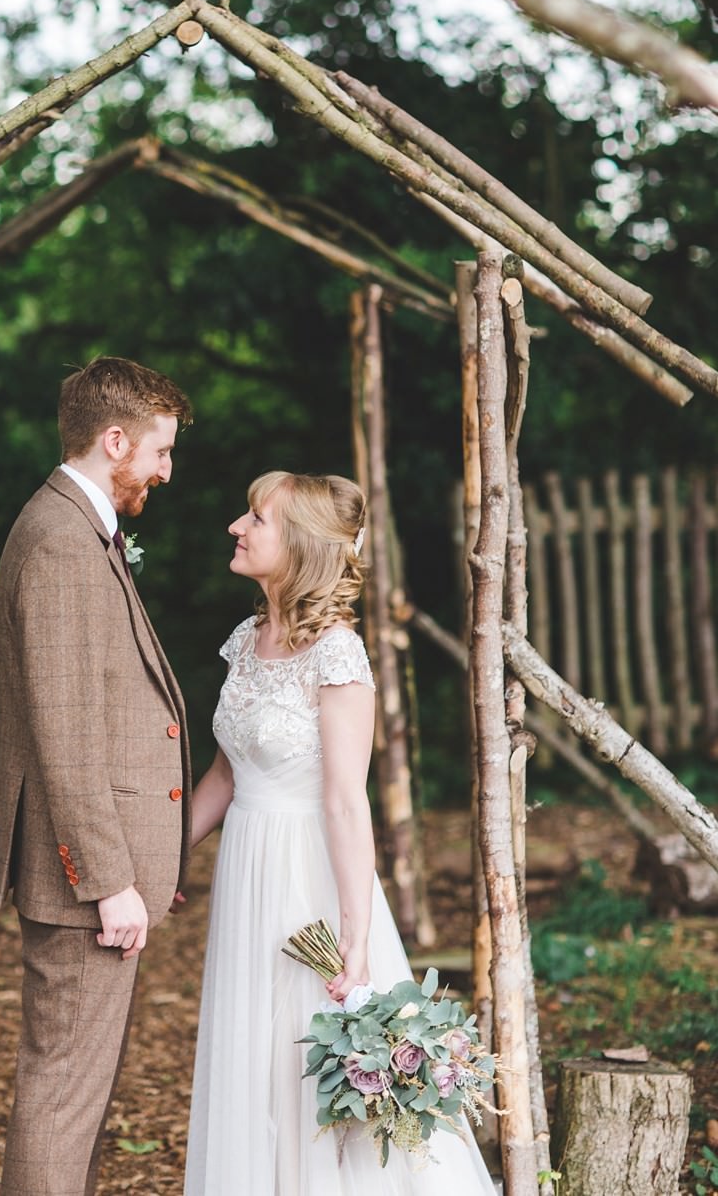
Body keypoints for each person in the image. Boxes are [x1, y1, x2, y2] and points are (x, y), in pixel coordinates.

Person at [185, 470, 495, 1195]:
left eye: (255, 518)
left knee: (306, 1060)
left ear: (299, 547)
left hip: (309, 882)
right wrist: (167, 858)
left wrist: (354, 936)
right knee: (251, 1058)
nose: (237, 526)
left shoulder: (338, 655)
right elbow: (227, 776)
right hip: (244, 871)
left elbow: (346, 803)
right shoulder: (245, 640)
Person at [0, 355, 193, 1196]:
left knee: (77, 1087)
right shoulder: (64, 545)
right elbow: (64, 734)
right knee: (64, 1089)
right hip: (84, 879)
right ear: (115, 440)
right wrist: (109, 880)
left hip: (97, 866)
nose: (165, 471)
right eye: (159, 451)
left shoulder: (74, 528)